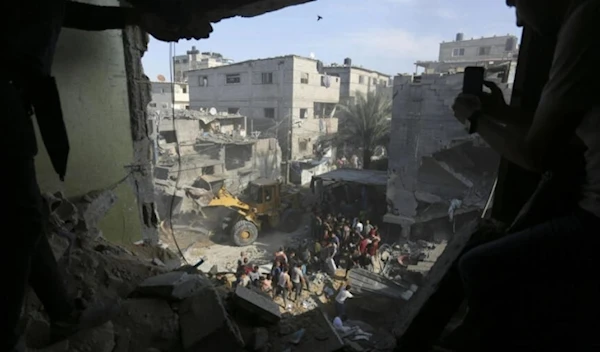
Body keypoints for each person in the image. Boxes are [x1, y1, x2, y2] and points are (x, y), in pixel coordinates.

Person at [2, 3, 202, 351]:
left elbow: (68, 12)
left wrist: (137, 16)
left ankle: (62, 313)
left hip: (13, 106)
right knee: (22, 220)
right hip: (2, 108)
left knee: (28, 215)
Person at [452, 0, 600, 349]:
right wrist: (503, 113)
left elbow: (536, 154)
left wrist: (476, 121)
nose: (518, 19)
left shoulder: (586, 22)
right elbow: (559, 125)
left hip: (594, 218)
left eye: (515, 2)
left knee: (477, 267)